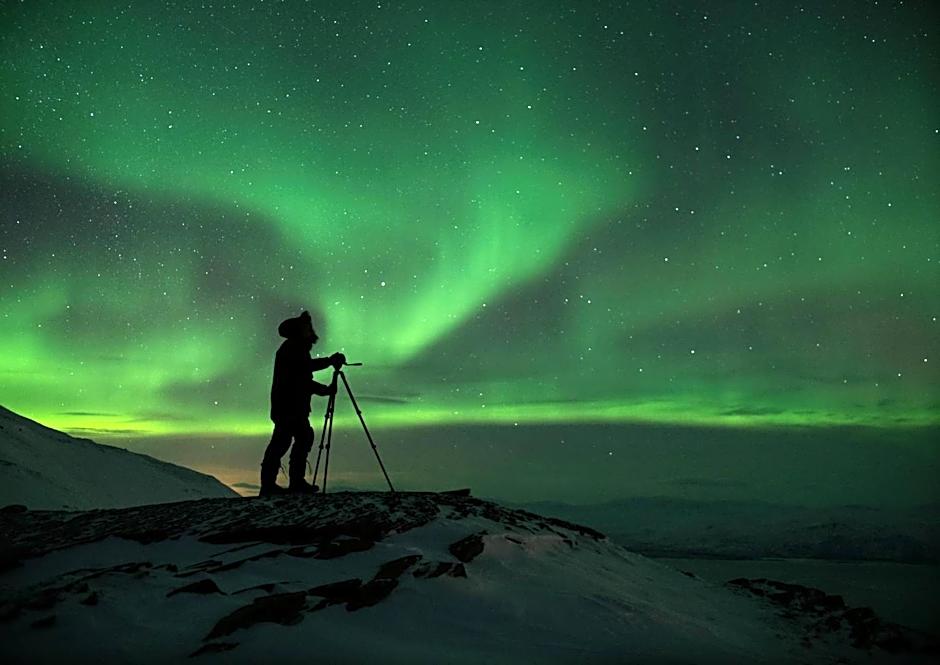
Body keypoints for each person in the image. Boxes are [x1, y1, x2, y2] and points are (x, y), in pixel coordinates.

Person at [260, 310, 345, 496]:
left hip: (290, 407)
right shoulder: (293, 349)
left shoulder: (293, 349)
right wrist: (328, 375)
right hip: (289, 407)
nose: (309, 330)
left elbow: (303, 376)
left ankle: (278, 484)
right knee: (289, 441)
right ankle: (284, 484)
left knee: (293, 440)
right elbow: (302, 377)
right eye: (306, 327)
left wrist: (325, 382)